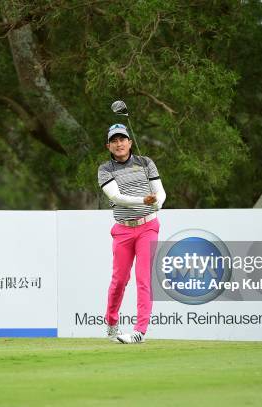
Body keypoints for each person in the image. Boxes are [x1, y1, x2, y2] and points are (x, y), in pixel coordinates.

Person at [97, 123, 166, 344]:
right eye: (114, 141)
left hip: (148, 226)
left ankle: (140, 331)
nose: (119, 144)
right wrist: (142, 200)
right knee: (119, 280)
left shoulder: (146, 163)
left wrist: (158, 204)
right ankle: (111, 322)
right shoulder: (105, 169)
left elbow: (160, 191)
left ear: (130, 142)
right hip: (123, 229)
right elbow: (116, 197)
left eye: (122, 139)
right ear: (109, 145)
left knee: (143, 278)